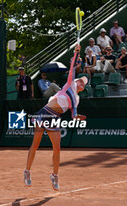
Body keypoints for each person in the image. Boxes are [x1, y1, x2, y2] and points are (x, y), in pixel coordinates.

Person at [24, 44, 87, 191]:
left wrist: (77, 117)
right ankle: (27, 171)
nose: (80, 82)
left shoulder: (76, 100)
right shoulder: (69, 85)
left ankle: (54, 175)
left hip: (55, 118)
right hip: (45, 112)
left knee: (57, 149)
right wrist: (76, 54)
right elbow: (71, 70)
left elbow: (73, 115)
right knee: (35, 144)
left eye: (83, 82)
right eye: (80, 80)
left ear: (82, 88)